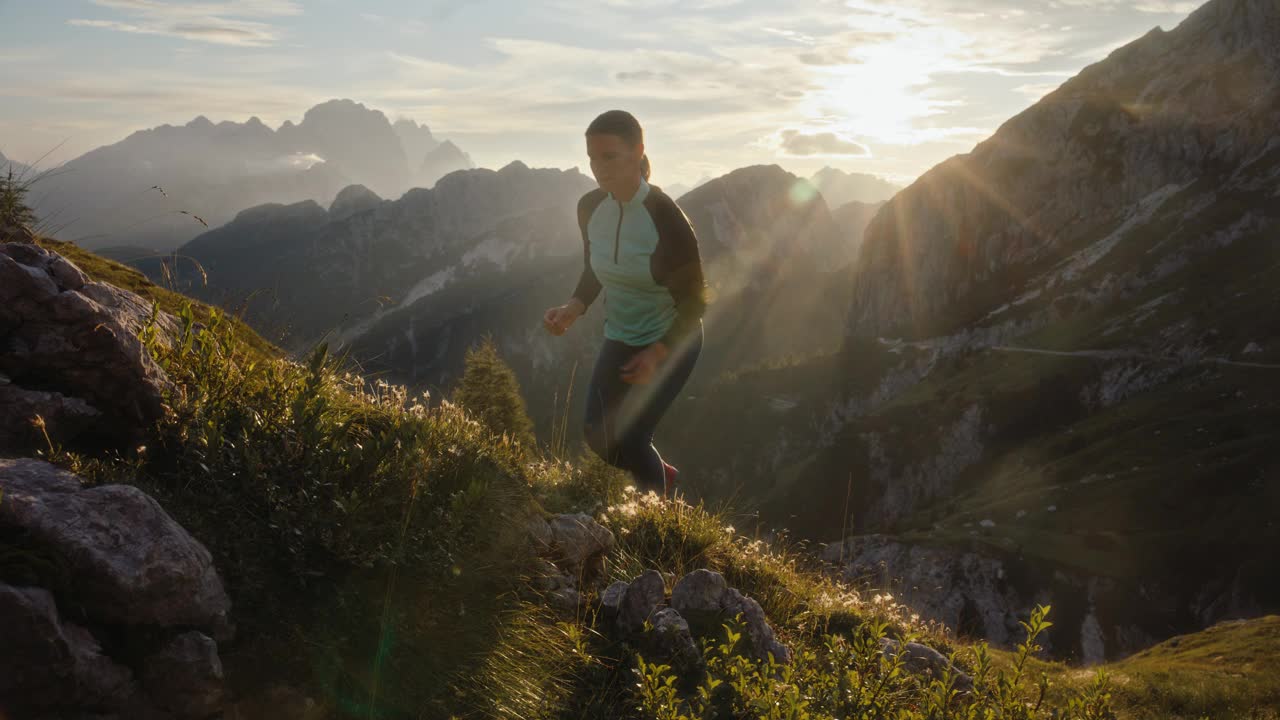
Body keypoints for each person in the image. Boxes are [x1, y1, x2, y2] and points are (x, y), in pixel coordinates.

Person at [542, 109, 707, 499]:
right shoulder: (589, 208)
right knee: (596, 436)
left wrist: (657, 352)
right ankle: (658, 474)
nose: (598, 168)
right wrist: (572, 308)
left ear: (638, 153)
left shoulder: (666, 217)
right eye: (592, 158)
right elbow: (595, 268)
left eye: (609, 156)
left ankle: (660, 518)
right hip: (620, 335)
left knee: (632, 438)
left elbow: (696, 302)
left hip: (672, 339)